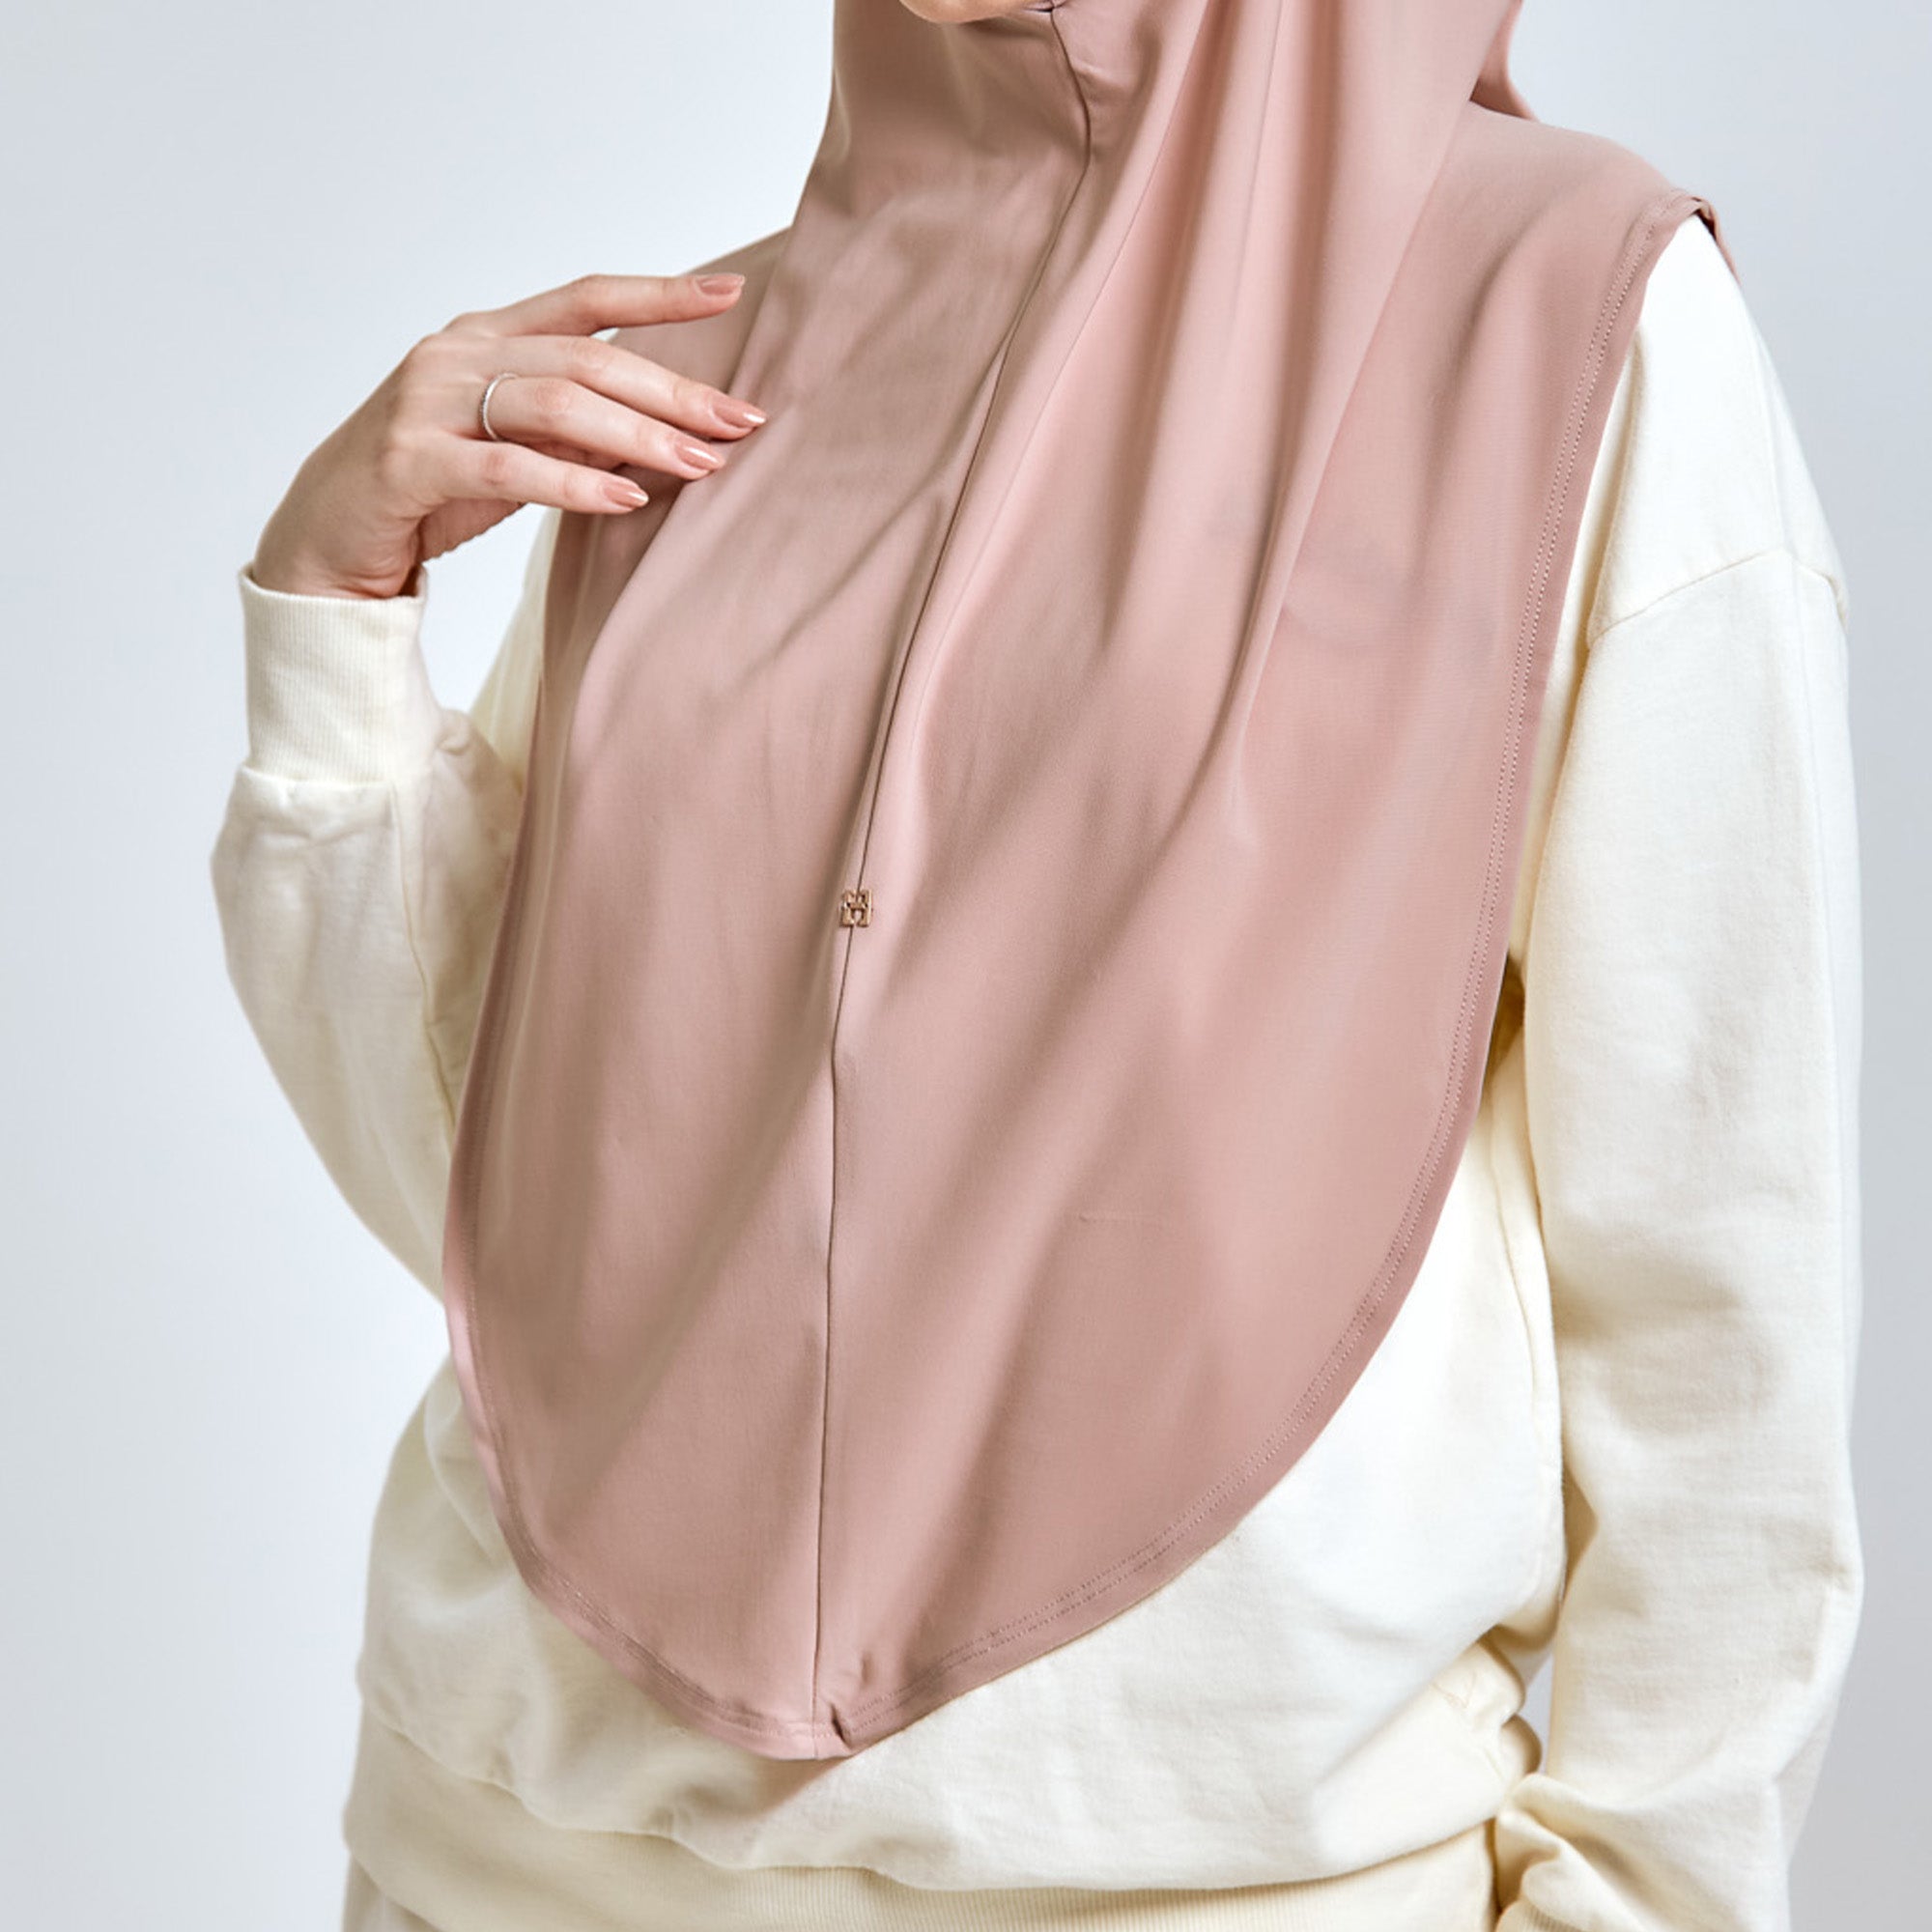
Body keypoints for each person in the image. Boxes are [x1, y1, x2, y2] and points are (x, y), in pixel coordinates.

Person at [210, 1, 1863, 1926]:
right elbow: (507, 1216)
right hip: (493, 1859)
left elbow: (1715, 1290)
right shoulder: (706, 372)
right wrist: (334, 617)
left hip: (1213, 1883)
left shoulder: (1558, 317)